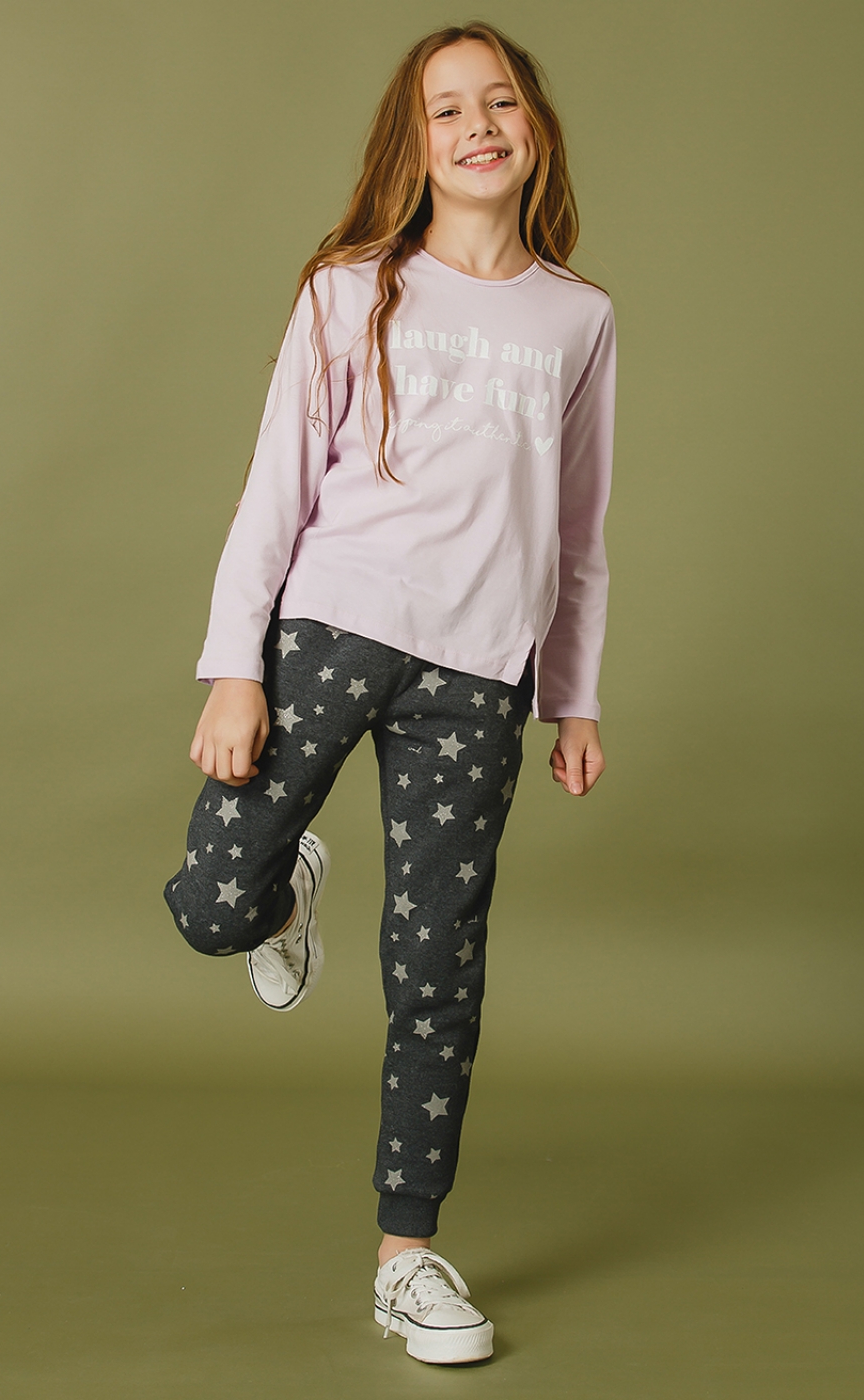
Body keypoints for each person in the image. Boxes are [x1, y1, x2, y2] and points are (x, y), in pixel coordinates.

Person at [164, 20, 615, 1366]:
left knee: (437, 965)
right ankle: (283, 889)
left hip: (481, 674)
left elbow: (579, 532)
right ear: (412, 145)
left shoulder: (577, 318)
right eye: (447, 109)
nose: (478, 126)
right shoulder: (349, 289)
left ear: (534, 128)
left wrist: (574, 697)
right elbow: (273, 490)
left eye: (500, 101)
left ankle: (406, 1258)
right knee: (208, 907)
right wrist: (233, 666)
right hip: (330, 632)